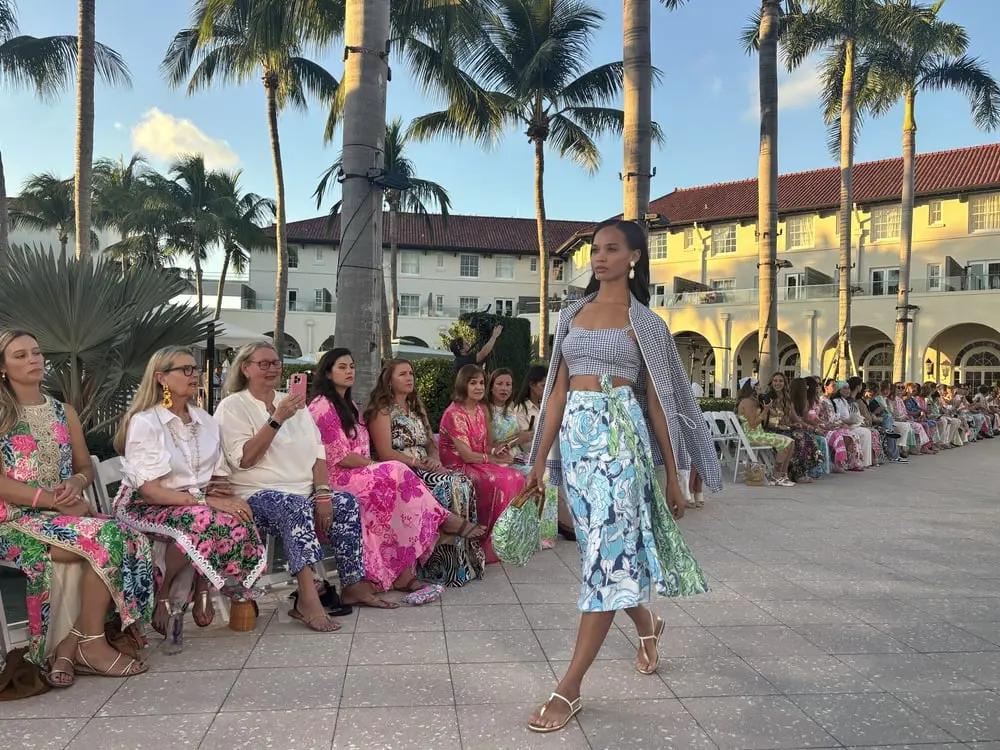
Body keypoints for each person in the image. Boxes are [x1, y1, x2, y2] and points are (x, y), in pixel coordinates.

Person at [524, 219, 720, 733]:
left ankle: (569, 688)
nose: (600, 257)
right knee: (601, 554)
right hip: (578, 444)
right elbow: (555, 396)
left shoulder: (647, 324)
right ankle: (648, 623)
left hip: (621, 444)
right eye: (595, 249)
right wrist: (539, 464)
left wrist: (673, 476)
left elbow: (660, 403)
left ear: (634, 256)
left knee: (607, 559)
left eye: (611, 249)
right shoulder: (569, 315)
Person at [0, 329, 153, 687]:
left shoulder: (63, 411)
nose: (33, 360)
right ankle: (92, 645)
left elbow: (84, 467)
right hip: (13, 521)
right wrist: (52, 501)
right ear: (2, 367)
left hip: (65, 518)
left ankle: (72, 645)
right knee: (109, 540)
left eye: (36, 353)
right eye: (20, 355)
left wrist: (75, 485)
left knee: (129, 536)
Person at [215, 342, 392, 629]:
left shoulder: (294, 403)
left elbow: (318, 453)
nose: (272, 369)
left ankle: (353, 583)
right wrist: (277, 418)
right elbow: (245, 459)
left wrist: (322, 493)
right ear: (245, 368)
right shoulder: (233, 407)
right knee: (294, 508)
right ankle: (307, 599)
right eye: (264, 364)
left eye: (276, 363)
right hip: (256, 493)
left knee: (344, 502)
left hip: (303, 490)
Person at [309, 348, 487, 603]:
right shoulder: (322, 407)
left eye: (352, 366)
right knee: (397, 470)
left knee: (396, 501)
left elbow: (428, 442)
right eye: (342, 367)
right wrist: (375, 466)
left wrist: (429, 459)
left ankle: (404, 572)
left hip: (360, 473)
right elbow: (339, 456)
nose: (350, 371)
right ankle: (441, 523)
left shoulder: (349, 404)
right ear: (327, 372)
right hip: (338, 476)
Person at [114, 346, 266, 637]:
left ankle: (216, 587)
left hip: (192, 502)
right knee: (202, 519)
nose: (194, 375)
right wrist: (206, 499)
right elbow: (150, 492)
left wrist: (225, 496)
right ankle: (168, 592)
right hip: (144, 504)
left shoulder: (205, 421)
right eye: (185, 370)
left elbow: (218, 477)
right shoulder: (146, 422)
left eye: (195, 369)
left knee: (239, 516)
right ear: (161, 378)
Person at [364, 358, 486, 588]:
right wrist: (417, 463)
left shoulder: (417, 407)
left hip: (425, 466)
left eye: (411, 373)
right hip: (402, 472)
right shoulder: (382, 411)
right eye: (402, 374)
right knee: (451, 486)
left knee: (463, 481)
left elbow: (431, 442)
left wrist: (434, 459)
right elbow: (385, 452)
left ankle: (463, 564)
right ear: (389, 380)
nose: (409, 377)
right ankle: (441, 567)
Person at [439, 365, 526, 564]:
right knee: (499, 480)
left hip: (478, 463)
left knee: (516, 476)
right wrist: (493, 459)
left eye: (481, 383)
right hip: (458, 466)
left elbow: (485, 447)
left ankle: (505, 542)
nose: (479, 387)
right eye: (473, 383)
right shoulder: (455, 413)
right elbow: (467, 456)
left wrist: (496, 452)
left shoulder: (479, 410)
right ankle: (486, 544)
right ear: (463, 385)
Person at [513, 365, 562, 542]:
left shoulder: (548, 405)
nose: (545, 389)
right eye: (542, 385)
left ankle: (555, 527)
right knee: (547, 476)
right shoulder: (520, 409)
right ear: (532, 385)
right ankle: (542, 532)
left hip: (549, 453)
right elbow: (525, 441)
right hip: (529, 456)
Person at [761, 372, 821, 482]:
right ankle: (794, 473)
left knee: (807, 437)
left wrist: (796, 425)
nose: (777, 383)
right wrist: (782, 426)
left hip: (785, 429)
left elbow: (795, 418)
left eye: (780, 381)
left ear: (785, 383)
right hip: (771, 429)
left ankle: (797, 472)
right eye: (775, 381)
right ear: (771, 383)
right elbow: (765, 419)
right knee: (799, 439)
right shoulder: (767, 397)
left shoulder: (787, 399)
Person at [736, 378, 796, 486]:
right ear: (751, 387)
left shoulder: (752, 401)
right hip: (753, 436)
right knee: (784, 443)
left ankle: (783, 474)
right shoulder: (747, 402)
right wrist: (765, 410)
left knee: (791, 442)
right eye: (757, 385)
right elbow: (753, 424)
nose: (760, 387)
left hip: (759, 434)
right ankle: (776, 476)